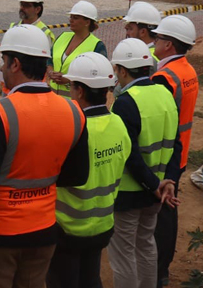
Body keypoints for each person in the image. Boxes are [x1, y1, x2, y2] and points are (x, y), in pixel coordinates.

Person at [0, 24, 90, 288]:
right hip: (43, 231)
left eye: (4, 60)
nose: (1, 66)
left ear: (15, 64)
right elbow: (78, 175)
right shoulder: (74, 112)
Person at [48, 53, 130, 288]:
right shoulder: (118, 123)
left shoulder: (71, 129)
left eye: (72, 85)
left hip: (67, 228)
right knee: (90, 279)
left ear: (80, 91)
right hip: (103, 224)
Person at [107, 39, 180, 288]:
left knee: (124, 256)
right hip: (157, 192)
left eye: (116, 70)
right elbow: (175, 143)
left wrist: (153, 184)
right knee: (146, 245)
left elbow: (128, 154)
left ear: (124, 71)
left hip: (131, 193)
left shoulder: (125, 102)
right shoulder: (164, 94)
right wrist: (168, 182)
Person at [150, 16, 199, 286]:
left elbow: (157, 117)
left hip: (165, 153)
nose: (154, 42)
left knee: (161, 213)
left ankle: (158, 272)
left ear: (168, 44)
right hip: (180, 151)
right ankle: (162, 267)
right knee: (169, 211)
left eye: (157, 39)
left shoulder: (164, 77)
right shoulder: (187, 70)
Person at [49, 0, 107, 96]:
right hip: (53, 100)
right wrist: (51, 72)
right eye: (71, 17)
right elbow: (49, 60)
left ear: (87, 22)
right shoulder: (62, 36)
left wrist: (69, 80)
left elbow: (98, 76)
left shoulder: (97, 46)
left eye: (75, 18)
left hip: (76, 103)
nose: (71, 20)